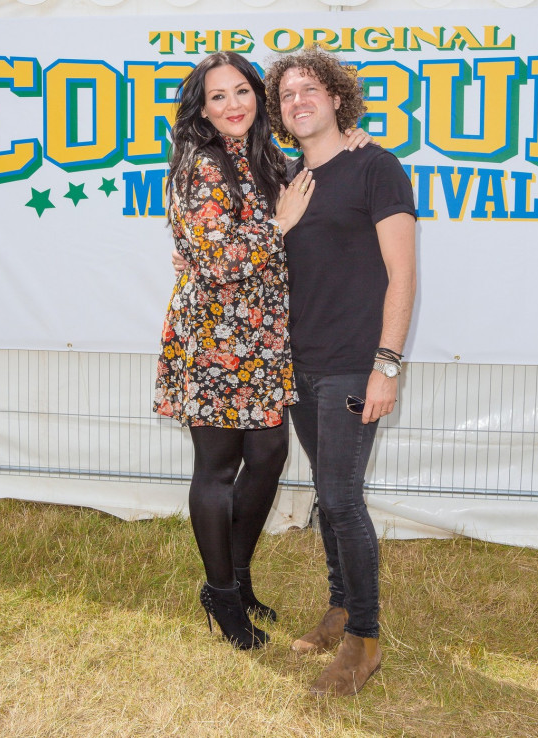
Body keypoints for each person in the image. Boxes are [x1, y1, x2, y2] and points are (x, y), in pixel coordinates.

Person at [154, 51, 370, 650]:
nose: (233, 106)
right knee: (218, 468)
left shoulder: (263, 156)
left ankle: (236, 577)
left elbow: (313, 184)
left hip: (262, 336)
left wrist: (351, 136)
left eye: (242, 92)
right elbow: (222, 260)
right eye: (217, 96)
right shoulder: (202, 164)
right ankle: (221, 597)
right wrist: (275, 227)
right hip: (215, 338)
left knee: (271, 453)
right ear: (201, 106)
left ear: (259, 98)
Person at [264, 47, 417, 695]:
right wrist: (280, 224)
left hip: (356, 364)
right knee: (327, 497)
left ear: (335, 98)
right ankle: (338, 607)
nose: (298, 100)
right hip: (299, 366)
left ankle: (364, 639)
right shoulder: (290, 181)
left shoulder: (376, 167)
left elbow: (403, 275)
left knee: (342, 497)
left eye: (310, 89)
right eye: (287, 95)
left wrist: (387, 364)